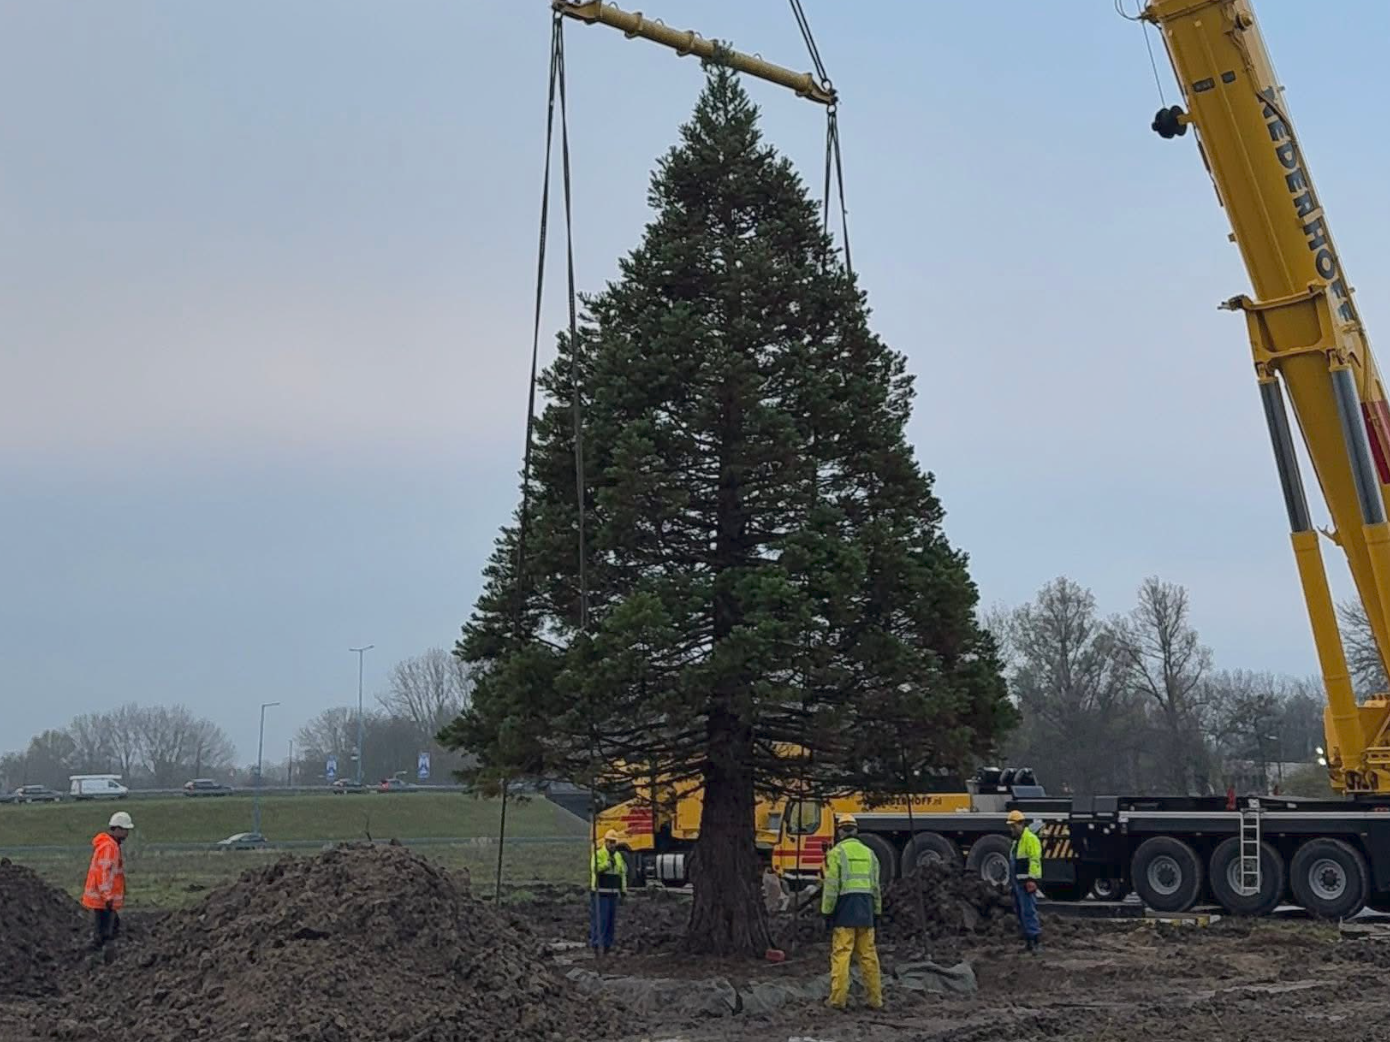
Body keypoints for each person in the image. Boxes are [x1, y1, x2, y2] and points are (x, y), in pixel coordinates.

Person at [820, 813, 883, 1011]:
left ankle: (837, 1000)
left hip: (845, 910)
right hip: (866, 910)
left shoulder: (836, 853)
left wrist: (826, 912)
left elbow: (831, 887)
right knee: (868, 956)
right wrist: (877, 911)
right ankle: (875, 1000)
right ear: (856, 830)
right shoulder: (870, 854)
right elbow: (875, 887)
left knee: (841, 954)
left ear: (840, 832)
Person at [82, 810, 134, 963]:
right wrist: (108, 896)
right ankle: (95, 958)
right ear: (117, 829)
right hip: (103, 900)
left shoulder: (109, 845)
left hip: (102, 899)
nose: (127, 834)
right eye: (125, 830)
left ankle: (98, 956)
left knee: (110, 927)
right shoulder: (109, 847)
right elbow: (104, 873)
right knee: (105, 932)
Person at [1007, 809, 1042, 953]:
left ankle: (1036, 942)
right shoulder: (1017, 842)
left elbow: (1034, 860)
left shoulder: (1030, 839)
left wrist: (1031, 879)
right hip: (1018, 882)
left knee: (1028, 912)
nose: (1012, 829)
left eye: (1013, 826)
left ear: (1021, 824)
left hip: (1026, 883)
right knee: (1021, 912)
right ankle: (1028, 942)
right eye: (1010, 826)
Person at [589, 829, 626, 956]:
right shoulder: (599, 854)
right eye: (610, 842)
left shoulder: (618, 856)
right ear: (605, 842)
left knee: (610, 921)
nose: (612, 844)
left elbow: (622, 874)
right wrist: (607, 864)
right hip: (600, 893)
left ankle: (607, 946)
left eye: (614, 842)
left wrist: (623, 891)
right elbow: (595, 868)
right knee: (601, 921)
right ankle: (597, 945)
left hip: (613, 893)